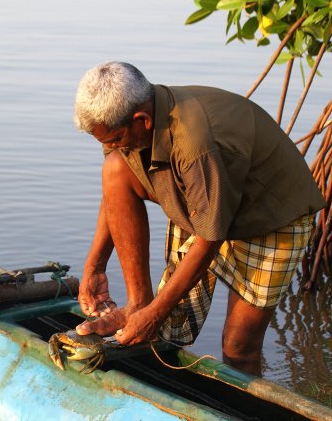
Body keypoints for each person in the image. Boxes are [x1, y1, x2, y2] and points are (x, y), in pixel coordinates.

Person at [72, 61, 325, 376]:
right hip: (206, 202)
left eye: (115, 139)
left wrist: (156, 313)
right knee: (115, 168)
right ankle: (138, 302)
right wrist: (94, 267)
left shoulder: (195, 145)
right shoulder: (132, 126)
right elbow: (115, 191)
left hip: (270, 218)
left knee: (238, 346)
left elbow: (211, 237)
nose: (111, 147)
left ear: (142, 120)